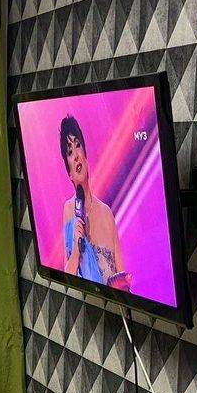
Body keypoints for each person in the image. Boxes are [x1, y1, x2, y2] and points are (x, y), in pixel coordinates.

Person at [60, 115, 130, 290]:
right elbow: (68, 278)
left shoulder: (106, 212)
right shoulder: (69, 209)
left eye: (78, 145)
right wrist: (77, 249)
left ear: (85, 155)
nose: (76, 156)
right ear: (69, 173)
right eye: (70, 152)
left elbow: (122, 278)